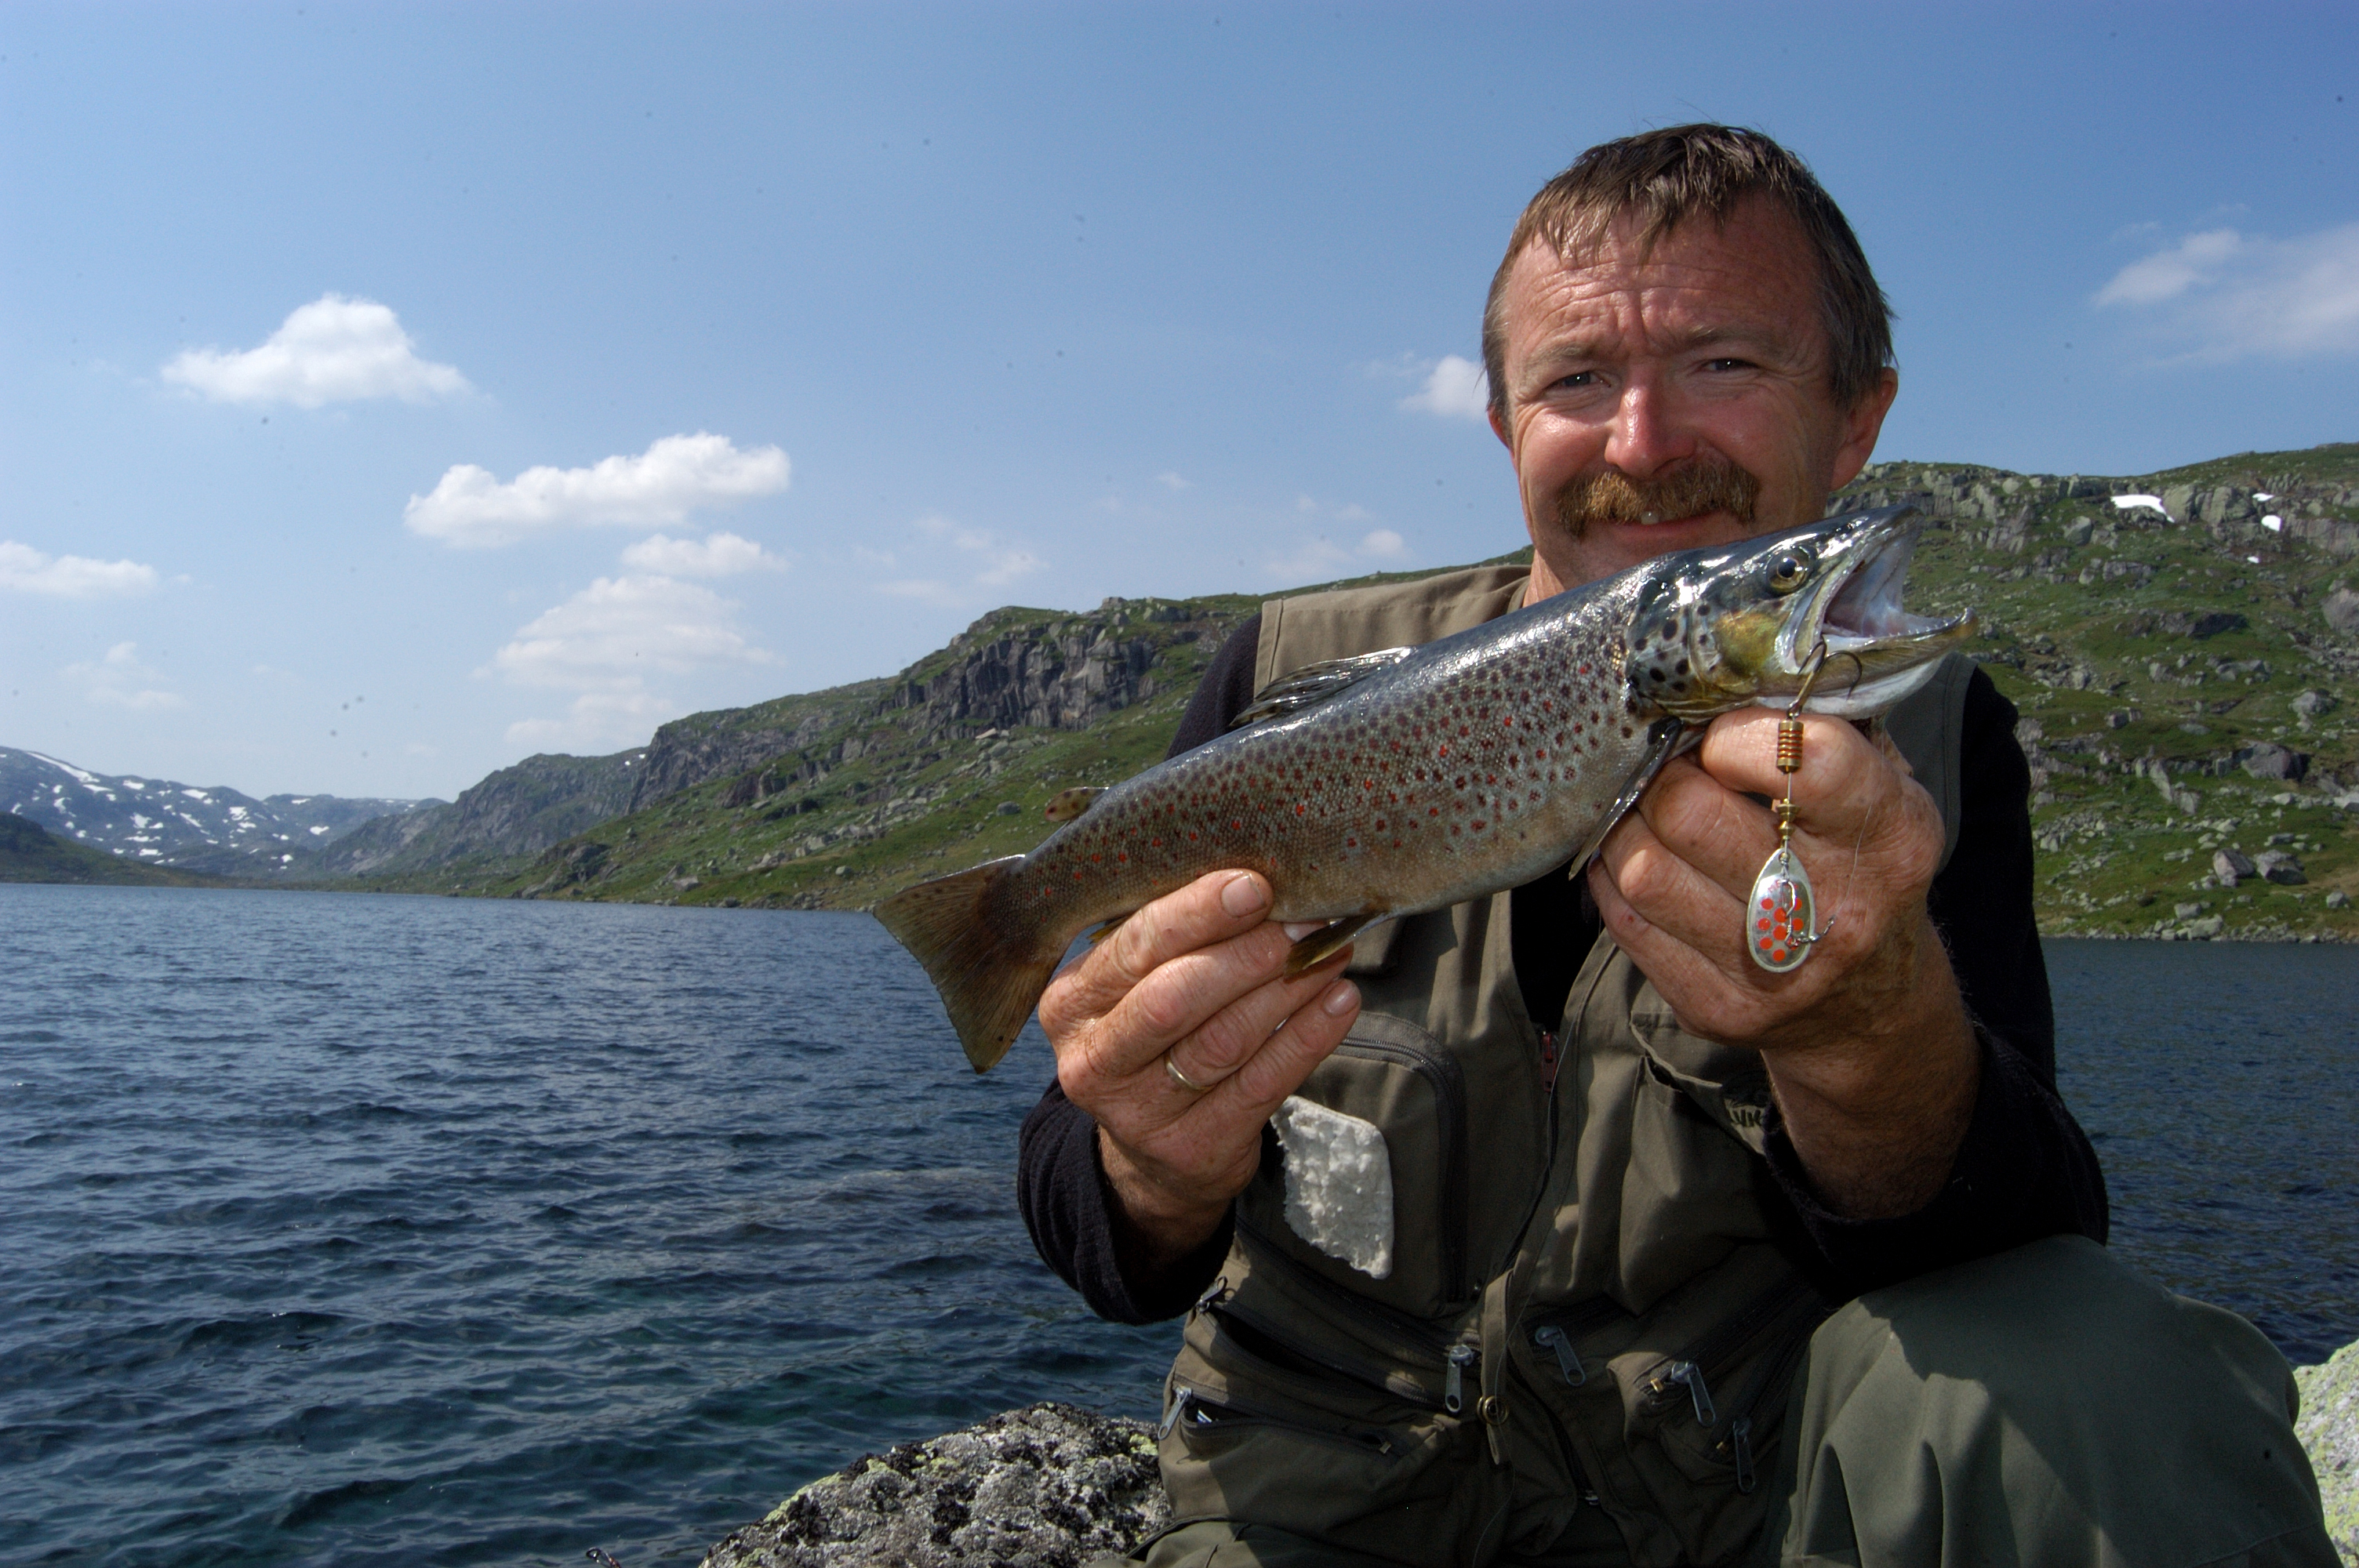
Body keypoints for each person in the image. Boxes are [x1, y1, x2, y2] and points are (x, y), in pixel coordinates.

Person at [1016, 126, 2333, 1567]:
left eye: (1724, 363)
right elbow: (1096, 1236)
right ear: (1510, 425)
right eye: (1576, 380)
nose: (1642, 446)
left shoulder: (1940, 742)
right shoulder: (1282, 682)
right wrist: (1150, 1159)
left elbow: (2020, 1239)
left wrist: (1867, 1029)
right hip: (1324, 1496)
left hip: (1736, 1498)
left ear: (1854, 418)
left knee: (2094, 1366)